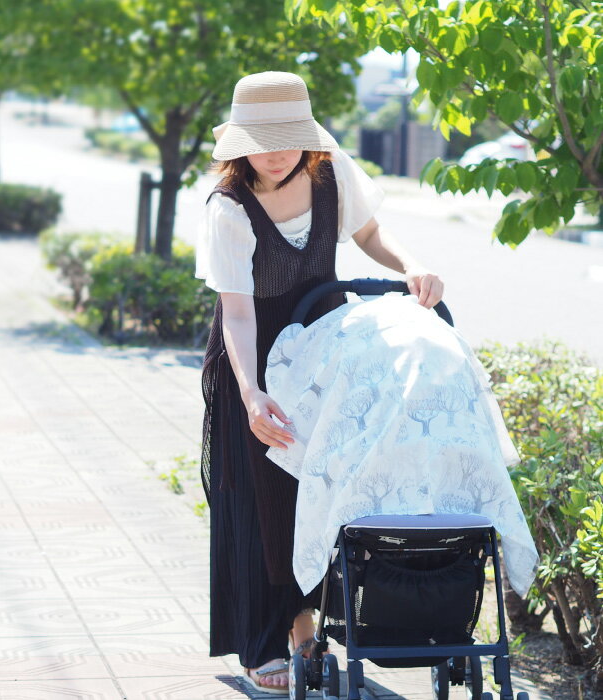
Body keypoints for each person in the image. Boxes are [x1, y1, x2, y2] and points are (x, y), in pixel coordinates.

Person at [196, 70, 444, 694]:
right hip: (253, 355)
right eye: (262, 139)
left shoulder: (330, 172)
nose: (276, 152)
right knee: (259, 495)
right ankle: (262, 644)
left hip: (320, 344)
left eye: (287, 137)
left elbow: (368, 234)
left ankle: (306, 628)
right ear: (239, 143)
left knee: (316, 484)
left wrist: (413, 265)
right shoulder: (228, 205)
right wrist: (252, 393)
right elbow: (240, 309)